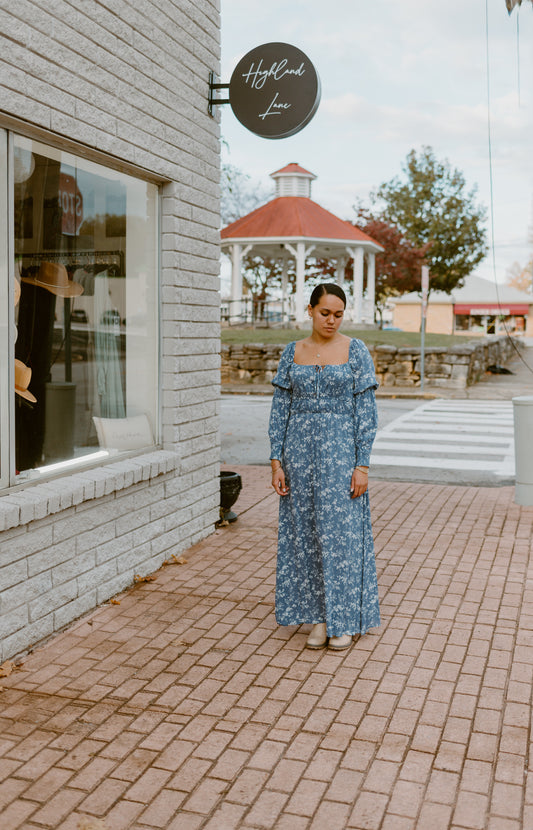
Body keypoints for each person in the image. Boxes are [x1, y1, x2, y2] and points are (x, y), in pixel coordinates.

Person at [268, 283, 380, 650]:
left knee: (342, 539)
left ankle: (343, 619)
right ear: (310, 311)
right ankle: (316, 618)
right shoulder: (292, 352)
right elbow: (279, 409)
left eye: (338, 314)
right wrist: (276, 461)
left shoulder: (356, 350)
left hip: (340, 455)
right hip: (298, 457)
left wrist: (362, 464)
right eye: (324, 313)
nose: (331, 320)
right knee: (305, 538)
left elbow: (366, 412)